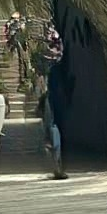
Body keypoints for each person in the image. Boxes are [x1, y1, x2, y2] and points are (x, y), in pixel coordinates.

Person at [33, 20, 69, 179]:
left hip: (51, 95)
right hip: (53, 95)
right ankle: (57, 165)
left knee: (52, 128)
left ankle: (57, 164)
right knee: (54, 128)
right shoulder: (57, 60)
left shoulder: (43, 54)